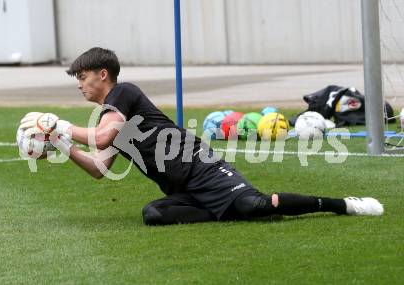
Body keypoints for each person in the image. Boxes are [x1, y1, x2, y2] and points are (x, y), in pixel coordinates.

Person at [19, 47, 384, 225]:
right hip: (183, 191)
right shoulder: (109, 117)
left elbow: (100, 138)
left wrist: (60, 126)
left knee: (254, 206)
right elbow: (99, 166)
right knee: (153, 215)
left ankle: (343, 204)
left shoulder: (124, 94)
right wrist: (64, 145)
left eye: (82, 77)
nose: (79, 85)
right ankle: (219, 211)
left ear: (102, 74)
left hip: (202, 168)